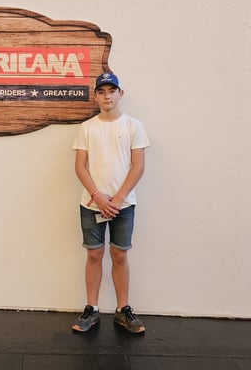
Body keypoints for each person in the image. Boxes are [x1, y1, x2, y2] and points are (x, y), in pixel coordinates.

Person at [71, 72, 150, 334]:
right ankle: (92, 309)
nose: (107, 96)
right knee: (94, 254)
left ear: (120, 94)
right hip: (91, 204)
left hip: (122, 206)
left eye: (112, 91)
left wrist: (116, 199)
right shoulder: (87, 128)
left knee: (119, 254)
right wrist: (98, 196)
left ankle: (122, 310)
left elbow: (138, 166)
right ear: (96, 96)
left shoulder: (133, 126)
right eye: (102, 92)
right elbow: (80, 166)